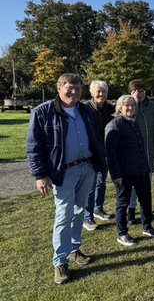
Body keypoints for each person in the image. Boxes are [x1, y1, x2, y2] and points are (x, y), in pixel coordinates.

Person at [26, 73, 106, 285]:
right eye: (70, 88)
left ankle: (74, 249)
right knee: (63, 215)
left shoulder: (85, 110)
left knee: (80, 211)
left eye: (78, 89)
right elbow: (34, 146)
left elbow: (95, 137)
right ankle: (59, 262)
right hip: (63, 172)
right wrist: (40, 174)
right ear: (59, 88)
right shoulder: (43, 111)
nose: (74, 92)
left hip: (86, 168)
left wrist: (98, 162)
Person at [105, 95, 154, 246]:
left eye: (132, 105)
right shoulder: (115, 125)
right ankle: (122, 233)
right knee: (122, 203)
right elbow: (110, 154)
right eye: (126, 105)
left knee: (145, 199)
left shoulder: (133, 123)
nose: (130, 108)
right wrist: (116, 175)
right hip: (124, 173)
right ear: (119, 108)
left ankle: (147, 226)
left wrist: (146, 167)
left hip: (141, 170)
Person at [126, 79, 154, 224]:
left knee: (146, 184)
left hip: (149, 151)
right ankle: (131, 211)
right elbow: (126, 121)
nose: (140, 94)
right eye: (137, 91)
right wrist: (134, 103)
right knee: (131, 184)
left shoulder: (151, 107)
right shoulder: (128, 106)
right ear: (131, 93)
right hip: (133, 153)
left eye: (142, 91)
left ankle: (146, 211)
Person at [83, 80, 114, 231]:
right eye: (98, 91)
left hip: (106, 151)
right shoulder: (84, 108)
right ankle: (86, 216)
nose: (101, 94)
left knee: (101, 182)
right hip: (90, 152)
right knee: (90, 184)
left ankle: (98, 208)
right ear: (92, 93)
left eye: (104, 92)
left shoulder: (111, 109)